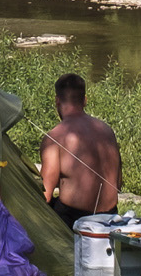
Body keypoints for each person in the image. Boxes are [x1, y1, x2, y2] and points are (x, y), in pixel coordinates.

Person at [41, 72, 122, 221]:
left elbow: (45, 195)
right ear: (84, 100)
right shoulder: (107, 130)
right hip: (111, 216)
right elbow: (118, 183)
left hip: (74, 220)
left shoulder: (55, 137)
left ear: (57, 101)